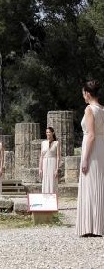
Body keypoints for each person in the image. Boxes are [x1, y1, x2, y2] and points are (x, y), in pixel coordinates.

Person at [76, 80, 104, 237]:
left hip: (92, 149)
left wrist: (85, 158)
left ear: (87, 93)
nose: (83, 96)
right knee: (99, 184)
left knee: (90, 185)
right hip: (101, 148)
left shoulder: (89, 109)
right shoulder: (103, 109)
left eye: (83, 93)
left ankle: (90, 227)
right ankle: (99, 225)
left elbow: (91, 135)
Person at [39, 127, 60, 194]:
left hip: (53, 163)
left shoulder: (56, 143)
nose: (48, 133)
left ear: (52, 133)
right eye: (47, 132)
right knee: (45, 180)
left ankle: (52, 198)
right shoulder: (43, 143)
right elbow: (41, 156)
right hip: (45, 163)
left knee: (52, 180)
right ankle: (45, 197)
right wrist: (40, 168)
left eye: (49, 132)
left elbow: (58, 157)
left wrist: (57, 169)